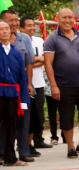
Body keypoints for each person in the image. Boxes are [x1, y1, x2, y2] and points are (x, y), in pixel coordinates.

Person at [43, 8, 79, 158]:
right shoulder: (52, 38)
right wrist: (53, 86)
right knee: (67, 118)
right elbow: (48, 64)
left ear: (74, 20)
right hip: (63, 86)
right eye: (64, 17)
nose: (67, 20)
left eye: (70, 18)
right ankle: (71, 147)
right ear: (58, 19)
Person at [0, 10, 35, 163]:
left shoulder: (15, 52)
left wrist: (24, 98)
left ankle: (10, 158)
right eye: (1, 29)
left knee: (10, 125)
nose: (5, 32)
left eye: (6, 29)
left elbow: (22, 74)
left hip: (13, 93)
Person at [20, 17, 52, 150]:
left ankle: (38, 139)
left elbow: (46, 59)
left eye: (34, 25)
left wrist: (32, 62)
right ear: (21, 28)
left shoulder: (39, 40)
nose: (33, 28)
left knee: (39, 113)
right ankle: (26, 144)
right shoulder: (19, 41)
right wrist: (32, 62)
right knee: (28, 114)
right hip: (26, 83)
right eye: (29, 26)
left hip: (39, 82)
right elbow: (23, 62)